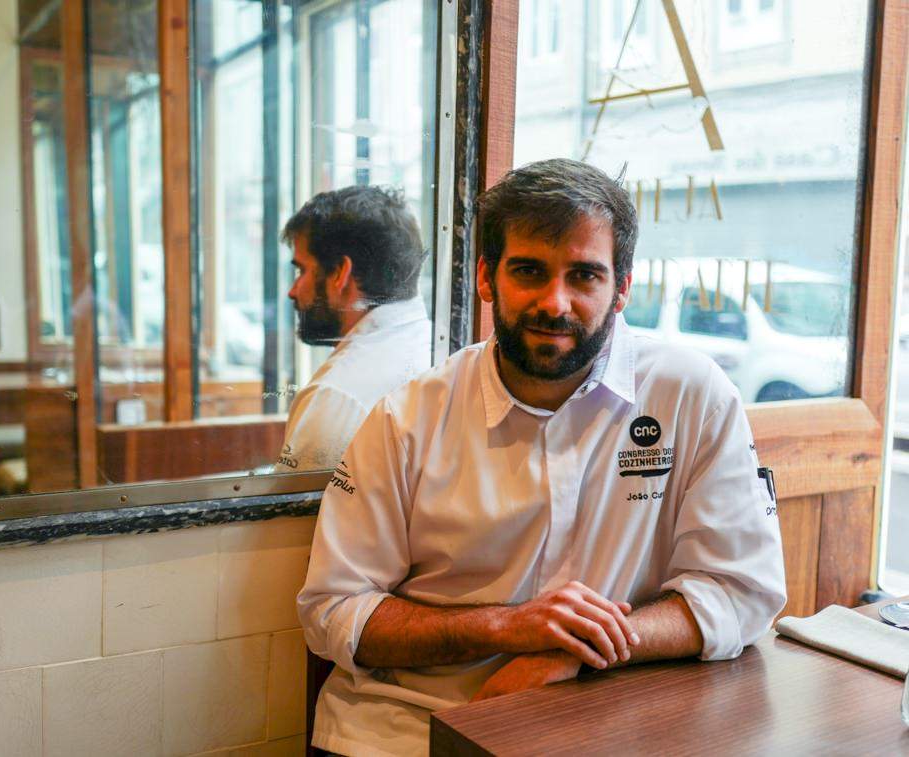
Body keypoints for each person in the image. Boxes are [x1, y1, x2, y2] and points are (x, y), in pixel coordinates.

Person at [297, 159, 787, 756]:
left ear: (622, 287)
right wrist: (510, 625)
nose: (555, 303)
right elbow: (334, 610)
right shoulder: (406, 418)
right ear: (487, 277)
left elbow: (743, 590)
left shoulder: (693, 396)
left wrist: (572, 651)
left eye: (584, 276)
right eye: (529, 271)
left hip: (605, 720)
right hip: (408, 729)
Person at [277, 185, 432, 472]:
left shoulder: (338, 395)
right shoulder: (439, 348)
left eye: (302, 270)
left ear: (340, 273)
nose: (293, 290)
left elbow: (296, 503)